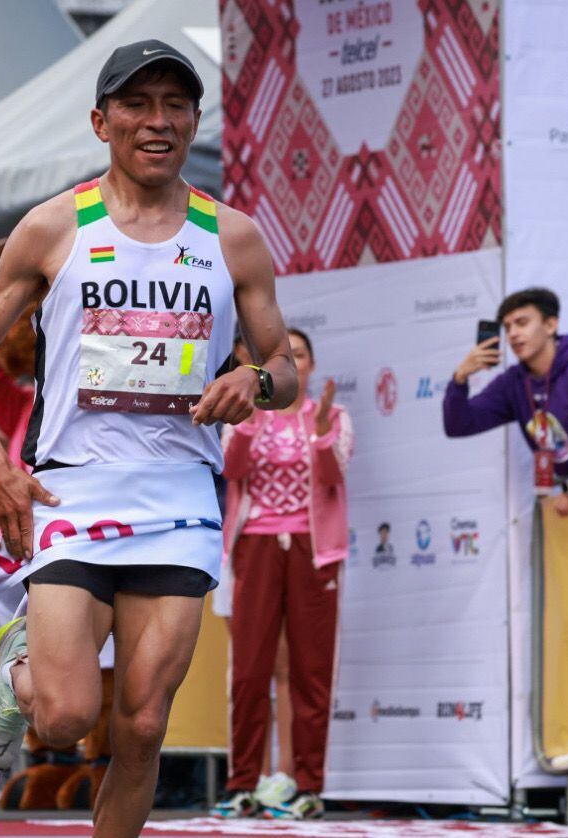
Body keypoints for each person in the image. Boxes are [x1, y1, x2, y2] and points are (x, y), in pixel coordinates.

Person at [0, 40, 298, 836]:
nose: (158, 121)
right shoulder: (52, 226)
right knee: (67, 717)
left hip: (179, 499)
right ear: (102, 122)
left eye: (176, 105)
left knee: (142, 728)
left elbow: (287, 365)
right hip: (75, 488)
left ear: (195, 122)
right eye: (138, 105)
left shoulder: (232, 236)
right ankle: (17, 681)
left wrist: (257, 380)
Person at [215, 328, 352, 819]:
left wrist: (318, 434)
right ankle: (242, 785)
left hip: (315, 555)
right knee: (250, 669)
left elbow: (334, 476)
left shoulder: (333, 417)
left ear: (309, 367)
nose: (291, 364)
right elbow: (231, 469)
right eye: (282, 357)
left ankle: (309, 786)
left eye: (299, 356)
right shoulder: (244, 414)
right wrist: (251, 418)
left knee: (312, 670)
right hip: (254, 548)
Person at [444, 288, 568, 493]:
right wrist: (460, 378)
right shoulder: (513, 382)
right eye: (507, 327)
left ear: (550, 325)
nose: (513, 334)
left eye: (522, 323)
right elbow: (458, 425)